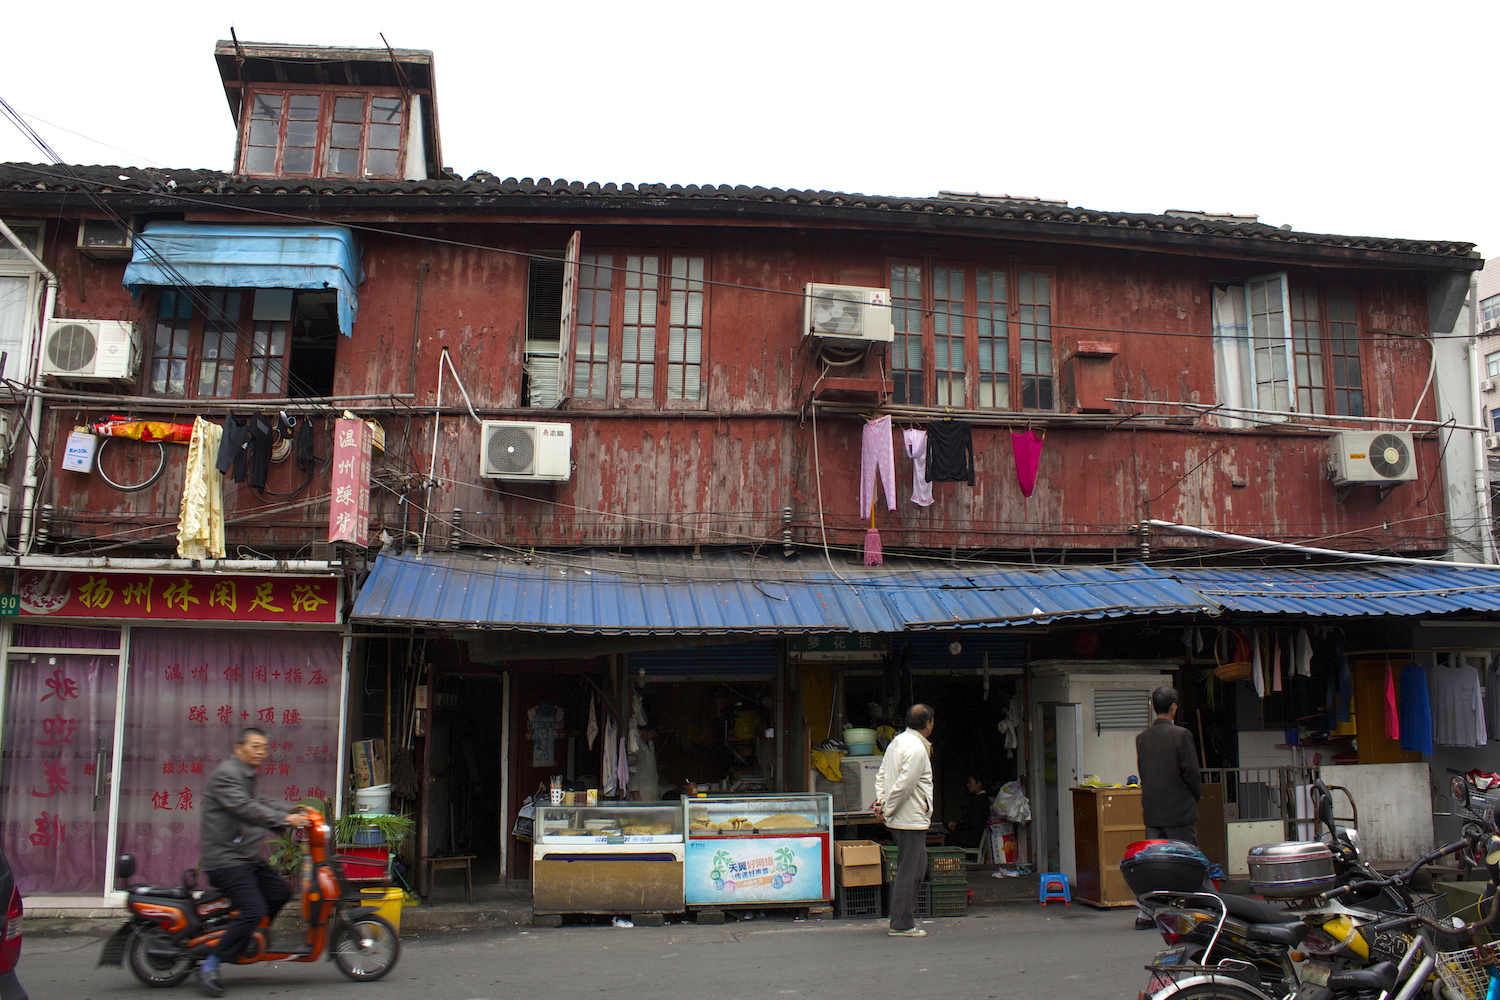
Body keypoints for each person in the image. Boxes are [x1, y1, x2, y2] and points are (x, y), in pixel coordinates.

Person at [196, 727, 310, 997]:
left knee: (280, 892)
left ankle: (247, 937)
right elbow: (246, 808)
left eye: (264, 747)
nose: (261, 752)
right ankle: (211, 963)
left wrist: (293, 810)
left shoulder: (246, 775)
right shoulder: (227, 776)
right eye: (255, 746)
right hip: (225, 860)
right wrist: (286, 819)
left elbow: (261, 802)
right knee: (254, 909)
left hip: (243, 858)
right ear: (239, 748)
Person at [873, 704, 934, 938]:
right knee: (909, 870)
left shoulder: (897, 742)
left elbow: (881, 775)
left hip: (903, 816)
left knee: (917, 867)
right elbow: (905, 786)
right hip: (909, 818)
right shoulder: (916, 748)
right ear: (927, 724)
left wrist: (882, 803)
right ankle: (901, 923)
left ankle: (904, 918)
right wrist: (887, 807)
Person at [1135, 686, 1202, 844]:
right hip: (1180, 812)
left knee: (1155, 855)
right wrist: (1194, 797)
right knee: (1183, 855)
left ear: (1154, 707)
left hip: (1152, 812)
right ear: (1173, 707)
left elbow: (1143, 772)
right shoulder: (1182, 735)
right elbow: (1192, 774)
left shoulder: (1142, 738)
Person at [945, 773, 990, 849]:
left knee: (948, 838)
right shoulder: (978, 799)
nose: (968, 785)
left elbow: (973, 822)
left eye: (970, 782)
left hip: (972, 837)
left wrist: (957, 827)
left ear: (978, 783)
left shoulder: (981, 800)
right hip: (971, 834)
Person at [627, 726, 661, 800]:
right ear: (641, 731)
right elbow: (633, 771)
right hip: (641, 791)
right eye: (647, 733)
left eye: (652, 733)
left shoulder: (651, 743)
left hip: (653, 789)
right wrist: (635, 793)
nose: (649, 736)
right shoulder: (635, 745)